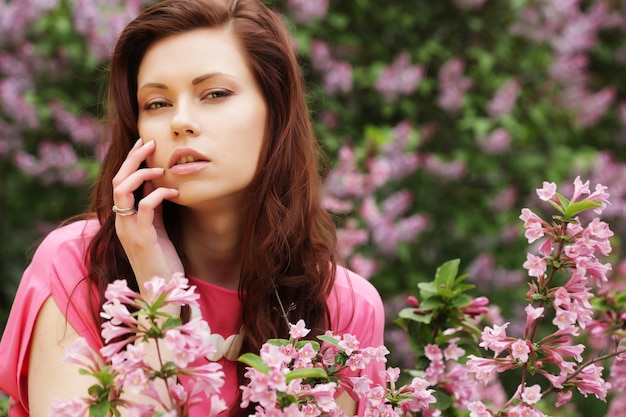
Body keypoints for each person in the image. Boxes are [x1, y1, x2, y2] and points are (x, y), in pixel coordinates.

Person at [0, 0, 385, 415]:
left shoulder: (341, 307)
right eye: (157, 103)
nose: (180, 121)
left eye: (214, 93)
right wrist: (158, 294)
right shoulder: (77, 268)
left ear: (276, 111)